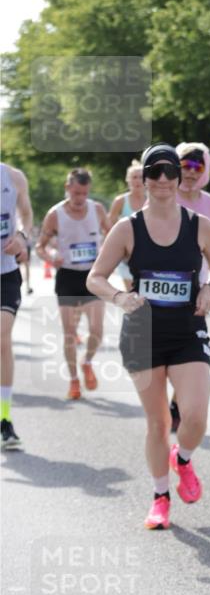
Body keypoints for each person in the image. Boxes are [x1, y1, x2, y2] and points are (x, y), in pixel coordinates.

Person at [87, 144, 210, 530]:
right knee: (157, 422)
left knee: (195, 416)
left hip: (187, 330)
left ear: (179, 177)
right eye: (154, 172)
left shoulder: (199, 225)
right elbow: (95, 277)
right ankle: (160, 498)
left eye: (170, 171)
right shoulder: (127, 228)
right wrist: (119, 297)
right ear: (144, 178)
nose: (163, 179)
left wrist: (209, 288)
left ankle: (182, 458)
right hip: (143, 333)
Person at [170, 141, 210, 432]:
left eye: (198, 167)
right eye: (186, 166)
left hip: (195, 288)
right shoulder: (164, 197)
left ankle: (176, 402)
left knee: (189, 352)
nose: (192, 172)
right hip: (160, 286)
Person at [35, 168, 108, 400]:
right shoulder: (55, 214)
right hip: (67, 277)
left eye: (85, 193)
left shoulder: (97, 210)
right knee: (69, 333)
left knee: (96, 330)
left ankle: (87, 362)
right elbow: (40, 246)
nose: (80, 199)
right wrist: (50, 257)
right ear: (67, 188)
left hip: (92, 277)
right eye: (76, 193)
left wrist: (106, 254)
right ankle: (74, 380)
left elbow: (112, 235)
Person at [1, 161, 33, 449]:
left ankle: (4, 419)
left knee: (2, 337)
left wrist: (22, 236)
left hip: (6, 273)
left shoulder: (13, 176)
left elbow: (26, 214)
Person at [107, 161, 146, 291]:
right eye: (134, 177)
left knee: (145, 292)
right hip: (126, 255)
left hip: (148, 252)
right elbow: (109, 226)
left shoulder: (152, 200)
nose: (138, 181)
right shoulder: (120, 201)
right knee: (132, 292)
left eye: (141, 177)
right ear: (128, 180)